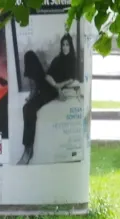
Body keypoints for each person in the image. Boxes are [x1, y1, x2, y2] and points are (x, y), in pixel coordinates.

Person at [18, 33, 81, 166]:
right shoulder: (57, 59)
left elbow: (71, 80)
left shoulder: (73, 61)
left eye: (67, 44)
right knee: (29, 55)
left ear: (70, 46)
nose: (65, 47)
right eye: (63, 44)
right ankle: (34, 90)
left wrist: (58, 88)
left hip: (51, 91)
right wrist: (56, 84)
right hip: (49, 83)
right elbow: (47, 76)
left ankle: (28, 149)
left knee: (27, 108)